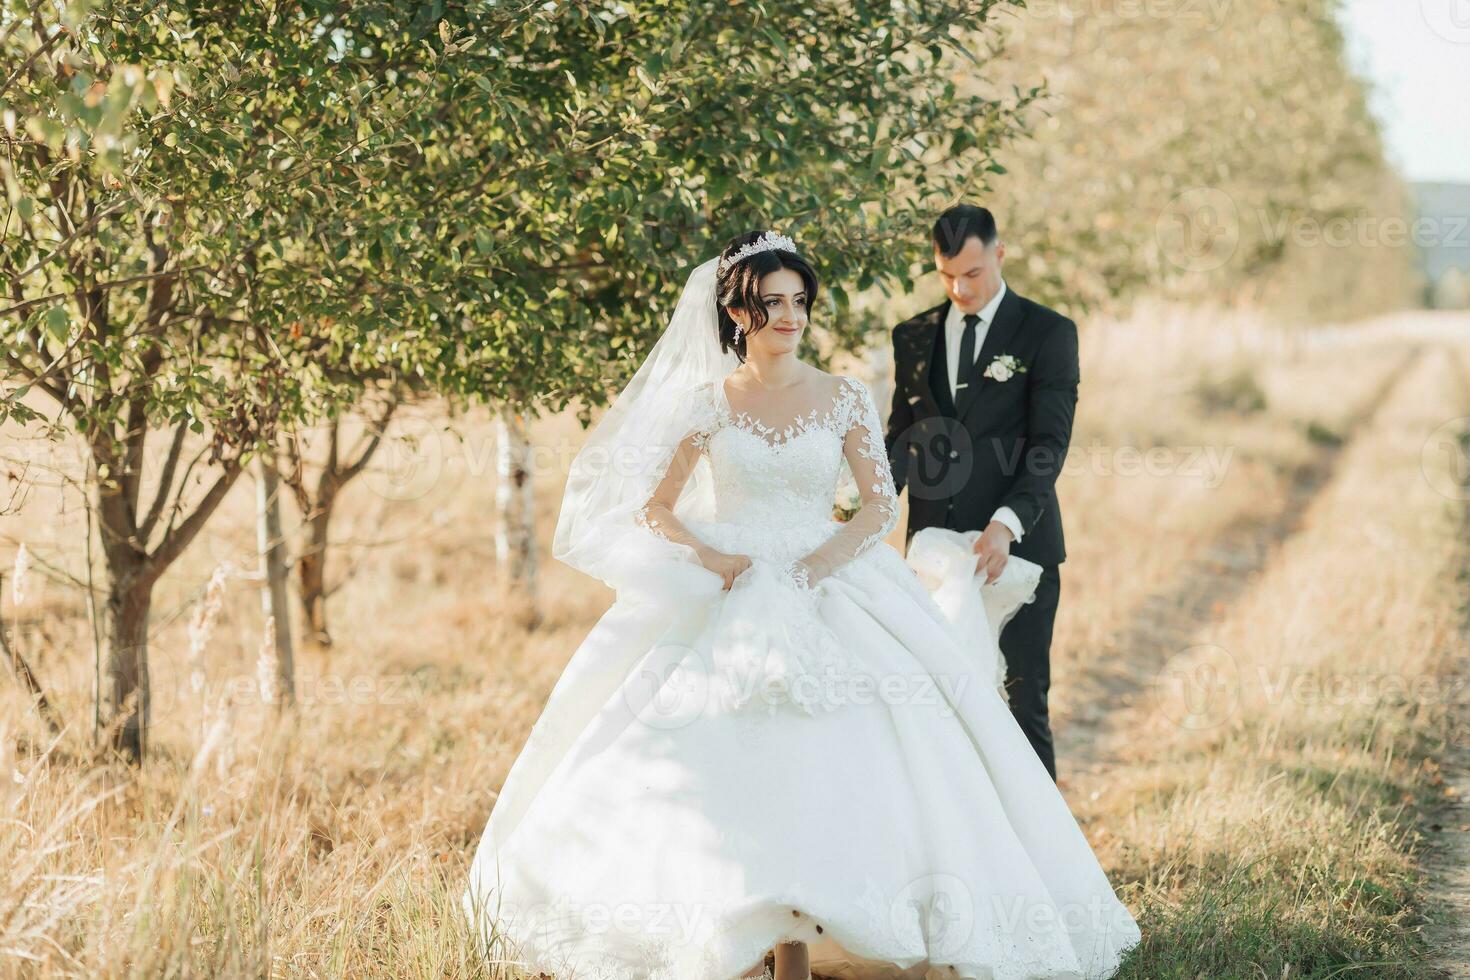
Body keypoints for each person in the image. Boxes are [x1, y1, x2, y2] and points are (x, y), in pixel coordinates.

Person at [462, 230, 1140, 980]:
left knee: (876, 742)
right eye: (772, 303)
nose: (790, 317)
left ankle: (851, 924)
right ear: (738, 312)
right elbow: (655, 507)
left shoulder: (842, 394)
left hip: (832, 580)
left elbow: (879, 508)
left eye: (798, 302)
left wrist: (822, 560)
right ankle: (733, 929)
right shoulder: (708, 404)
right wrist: (716, 558)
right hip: (734, 582)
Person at [885, 204, 1079, 782]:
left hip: (1016, 554)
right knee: (937, 702)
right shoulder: (913, 335)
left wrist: (1006, 523)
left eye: (971, 273)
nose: (959, 288)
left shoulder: (1048, 332)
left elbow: (1049, 444)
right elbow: (902, 436)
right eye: (946, 275)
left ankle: (1043, 857)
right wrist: (864, 508)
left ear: (999, 254)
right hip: (933, 555)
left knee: (1021, 704)